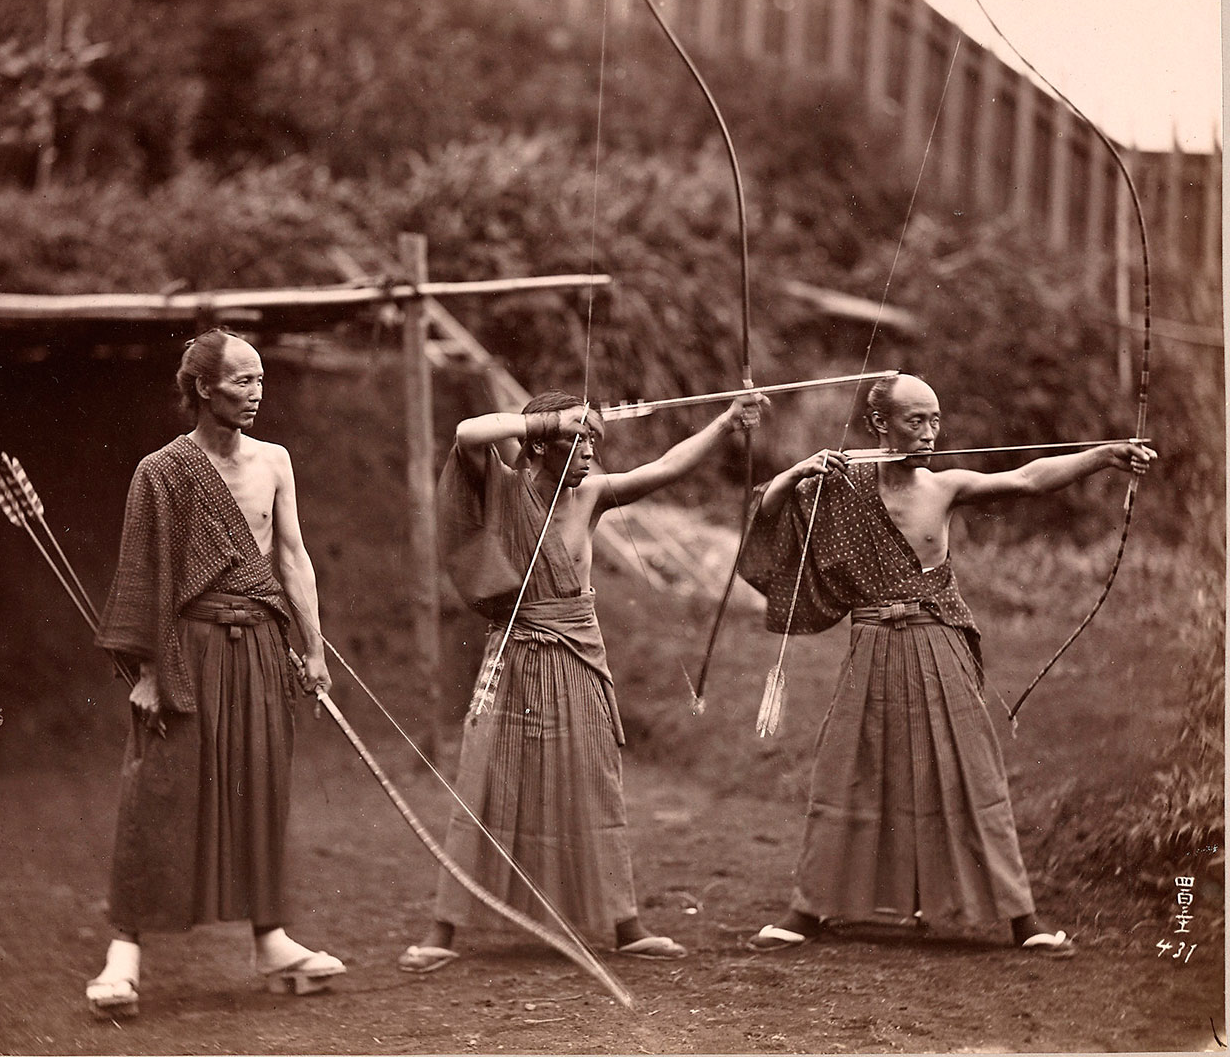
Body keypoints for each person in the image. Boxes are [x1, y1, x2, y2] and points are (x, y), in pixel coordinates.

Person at [740, 373, 1155, 958]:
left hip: (937, 643)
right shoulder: (839, 485)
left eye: (936, 420)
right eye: (917, 421)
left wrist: (1102, 456)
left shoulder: (944, 486)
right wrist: (795, 473)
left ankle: (1023, 919)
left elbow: (1028, 480)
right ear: (880, 424)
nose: (931, 434)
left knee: (971, 772)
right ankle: (806, 910)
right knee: (847, 769)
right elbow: (767, 516)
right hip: (872, 644)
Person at [398, 388, 763, 974]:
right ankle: (444, 929)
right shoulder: (501, 487)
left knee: (595, 781)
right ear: (542, 441)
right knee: (485, 779)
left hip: (577, 655)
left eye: (595, 437)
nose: (591, 449)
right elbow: (468, 431)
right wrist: (544, 417)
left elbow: (665, 468)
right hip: (516, 654)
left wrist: (726, 423)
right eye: (578, 436)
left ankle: (626, 925)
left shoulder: (589, 495)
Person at [86, 329, 344, 1018]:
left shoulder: (276, 462)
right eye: (242, 381)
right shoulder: (162, 470)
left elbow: (291, 558)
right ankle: (123, 953)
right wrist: (144, 672)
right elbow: (140, 576)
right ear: (203, 387)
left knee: (261, 781)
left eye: (261, 380)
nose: (257, 392)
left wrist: (313, 650)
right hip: (185, 649)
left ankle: (271, 939)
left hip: (259, 642)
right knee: (160, 788)